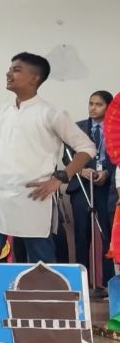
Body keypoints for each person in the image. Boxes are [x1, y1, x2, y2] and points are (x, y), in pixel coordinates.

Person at [0, 52, 96, 264]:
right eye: (10, 69)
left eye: (16, 70)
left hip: (32, 195)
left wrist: (60, 178)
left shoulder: (52, 113)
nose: (8, 73)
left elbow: (87, 147)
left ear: (34, 78)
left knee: (41, 260)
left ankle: (45, 288)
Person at [66, 90, 116, 291]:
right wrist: (81, 169)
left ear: (109, 108)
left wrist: (107, 172)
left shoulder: (115, 129)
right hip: (82, 185)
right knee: (82, 234)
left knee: (107, 235)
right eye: (91, 103)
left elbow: (116, 156)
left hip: (106, 187)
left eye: (99, 104)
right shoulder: (77, 128)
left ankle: (108, 283)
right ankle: (82, 284)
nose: (93, 108)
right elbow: (67, 156)